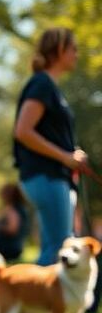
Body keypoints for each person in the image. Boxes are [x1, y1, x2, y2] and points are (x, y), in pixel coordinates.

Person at [13, 27, 93, 267]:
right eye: (73, 49)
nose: (77, 54)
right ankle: (36, 303)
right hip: (46, 177)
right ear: (59, 50)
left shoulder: (49, 86)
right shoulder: (42, 84)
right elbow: (23, 131)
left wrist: (71, 157)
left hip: (52, 177)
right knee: (60, 250)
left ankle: (35, 304)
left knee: (54, 249)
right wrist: (66, 157)